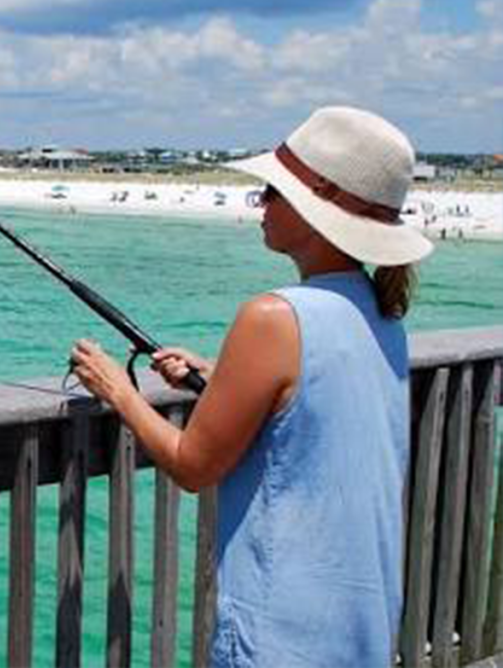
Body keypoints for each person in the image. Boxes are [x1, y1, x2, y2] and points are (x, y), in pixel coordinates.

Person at [70, 106, 433, 668]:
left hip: (281, 631)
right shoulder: (381, 312)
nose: (260, 202)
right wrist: (223, 378)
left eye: (273, 190)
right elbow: (313, 403)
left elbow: (193, 466)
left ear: (318, 202)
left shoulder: (271, 317)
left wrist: (119, 390)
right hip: (359, 626)